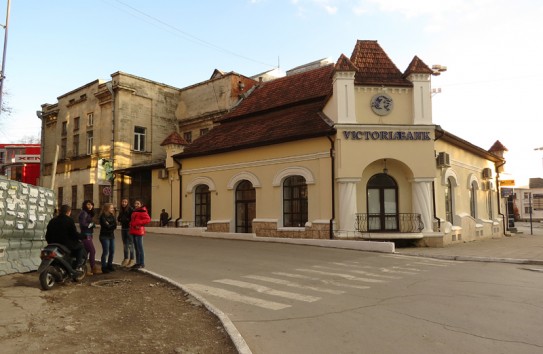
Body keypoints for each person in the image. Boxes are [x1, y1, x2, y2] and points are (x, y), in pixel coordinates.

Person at [45, 204, 86, 276]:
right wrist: (82, 236)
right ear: (68, 212)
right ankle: (77, 267)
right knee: (80, 246)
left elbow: (47, 235)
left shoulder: (53, 220)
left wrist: (50, 242)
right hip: (65, 244)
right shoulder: (69, 220)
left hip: (53, 244)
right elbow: (74, 234)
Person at [79, 199, 101, 275]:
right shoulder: (83, 213)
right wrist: (92, 224)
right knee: (92, 251)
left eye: (91, 204)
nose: (90, 206)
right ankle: (93, 268)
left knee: (85, 252)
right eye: (88, 204)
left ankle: (83, 269)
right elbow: (83, 224)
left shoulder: (87, 213)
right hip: (85, 234)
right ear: (85, 205)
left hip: (88, 234)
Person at [129, 200, 151, 269]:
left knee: (140, 248)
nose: (136, 205)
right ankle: (138, 263)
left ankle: (142, 263)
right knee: (136, 248)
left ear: (141, 204)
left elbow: (148, 219)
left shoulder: (142, 211)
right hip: (133, 230)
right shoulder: (135, 211)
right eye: (135, 203)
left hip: (139, 231)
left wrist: (138, 223)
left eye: (138, 204)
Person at [99, 203, 117, 274]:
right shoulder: (102, 216)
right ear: (107, 208)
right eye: (111, 208)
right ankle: (104, 267)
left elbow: (115, 225)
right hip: (104, 236)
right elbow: (106, 226)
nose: (113, 209)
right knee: (105, 251)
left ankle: (110, 265)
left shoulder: (112, 216)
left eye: (113, 208)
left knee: (112, 251)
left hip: (111, 236)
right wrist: (110, 225)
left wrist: (110, 225)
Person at [117, 198, 135, 267]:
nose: (124, 203)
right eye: (123, 201)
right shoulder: (121, 210)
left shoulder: (130, 209)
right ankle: (126, 259)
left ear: (127, 203)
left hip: (129, 229)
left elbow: (132, 218)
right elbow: (118, 218)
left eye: (125, 202)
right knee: (125, 245)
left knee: (130, 245)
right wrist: (122, 219)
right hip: (123, 229)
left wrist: (126, 219)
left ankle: (132, 260)